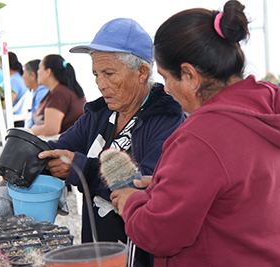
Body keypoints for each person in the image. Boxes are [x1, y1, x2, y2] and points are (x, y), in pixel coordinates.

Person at [111, 1, 280, 266]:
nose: (165, 89)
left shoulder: (201, 137)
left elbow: (158, 233)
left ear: (189, 75)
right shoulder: (278, 110)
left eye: (166, 78)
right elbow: (242, 192)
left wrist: (132, 201)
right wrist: (167, 185)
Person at [38, 18, 186, 267]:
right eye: (96, 74)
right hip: (97, 248)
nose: (100, 84)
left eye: (109, 73)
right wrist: (34, 153)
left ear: (141, 72)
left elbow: (145, 183)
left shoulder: (166, 118)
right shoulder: (100, 114)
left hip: (140, 255)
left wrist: (83, 168)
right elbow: (62, 148)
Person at [30, 54, 86, 136]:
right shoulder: (57, 91)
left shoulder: (60, 93)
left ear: (48, 72)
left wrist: (32, 130)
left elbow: (50, 130)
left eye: (39, 68)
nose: (37, 72)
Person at [22, 59, 49, 128]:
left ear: (32, 76)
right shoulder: (37, 91)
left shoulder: (43, 92)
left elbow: (40, 120)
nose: (22, 77)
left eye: (24, 73)